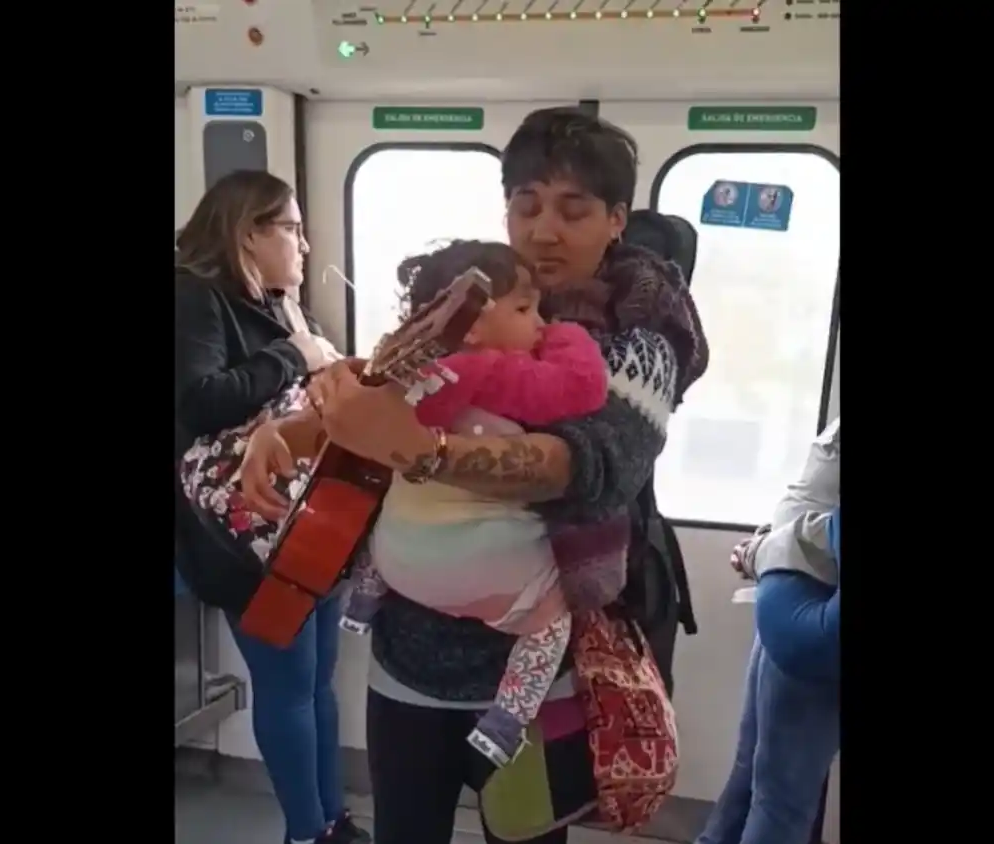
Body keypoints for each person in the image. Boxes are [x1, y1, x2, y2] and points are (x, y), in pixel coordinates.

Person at [239, 107, 708, 844]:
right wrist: (296, 428)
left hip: (534, 666)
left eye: (573, 210)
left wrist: (423, 453)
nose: (543, 230)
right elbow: (393, 380)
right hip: (408, 655)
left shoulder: (640, 340)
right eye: (526, 205)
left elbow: (587, 467)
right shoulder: (479, 293)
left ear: (617, 219)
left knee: (522, 835)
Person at [339, 239, 614, 769]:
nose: (539, 322)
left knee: (400, 496)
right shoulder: (491, 371)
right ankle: (507, 721)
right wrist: (565, 335)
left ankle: (364, 595)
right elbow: (582, 387)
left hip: (402, 564)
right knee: (552, 622)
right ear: (469, 324)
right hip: (484, 575)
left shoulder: (404, 373)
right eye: (524, 309)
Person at [172, 170, 368, 844]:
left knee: (317, 683)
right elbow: (200, 403)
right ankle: (305, 831)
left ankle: (332, 818)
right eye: (291, 228)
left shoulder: (285, 306)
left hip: (311, 523)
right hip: (241, 531)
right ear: (248, 233)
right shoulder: (194, 299)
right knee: (286, 686)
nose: (305, 245)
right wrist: (295, 354)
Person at [697, 420, 840, 844]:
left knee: (780, 802)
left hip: (811, 614)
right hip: (795, 589)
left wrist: (767, 551)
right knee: (752, 774)